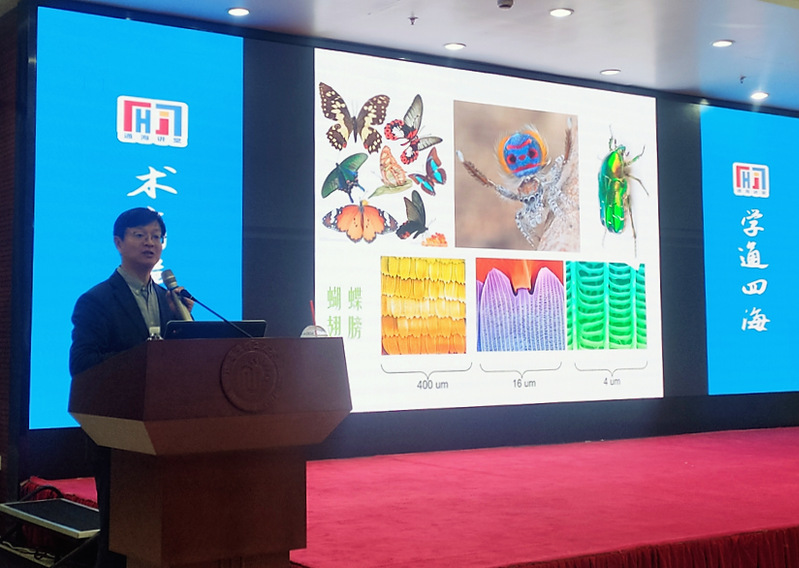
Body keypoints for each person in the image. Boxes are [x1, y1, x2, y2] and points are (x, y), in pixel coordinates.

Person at [69, 207, 192, 568]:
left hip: (164, 431)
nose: (150, 242)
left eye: (156, 236)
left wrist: (186, 320)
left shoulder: (170, 300)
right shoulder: (96, 300)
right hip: (118, 433)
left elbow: (183, 362)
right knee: (119, 534)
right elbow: (83, 364)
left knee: (160, 531)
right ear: (118, 243)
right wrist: (144, 355)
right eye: (140, 235)